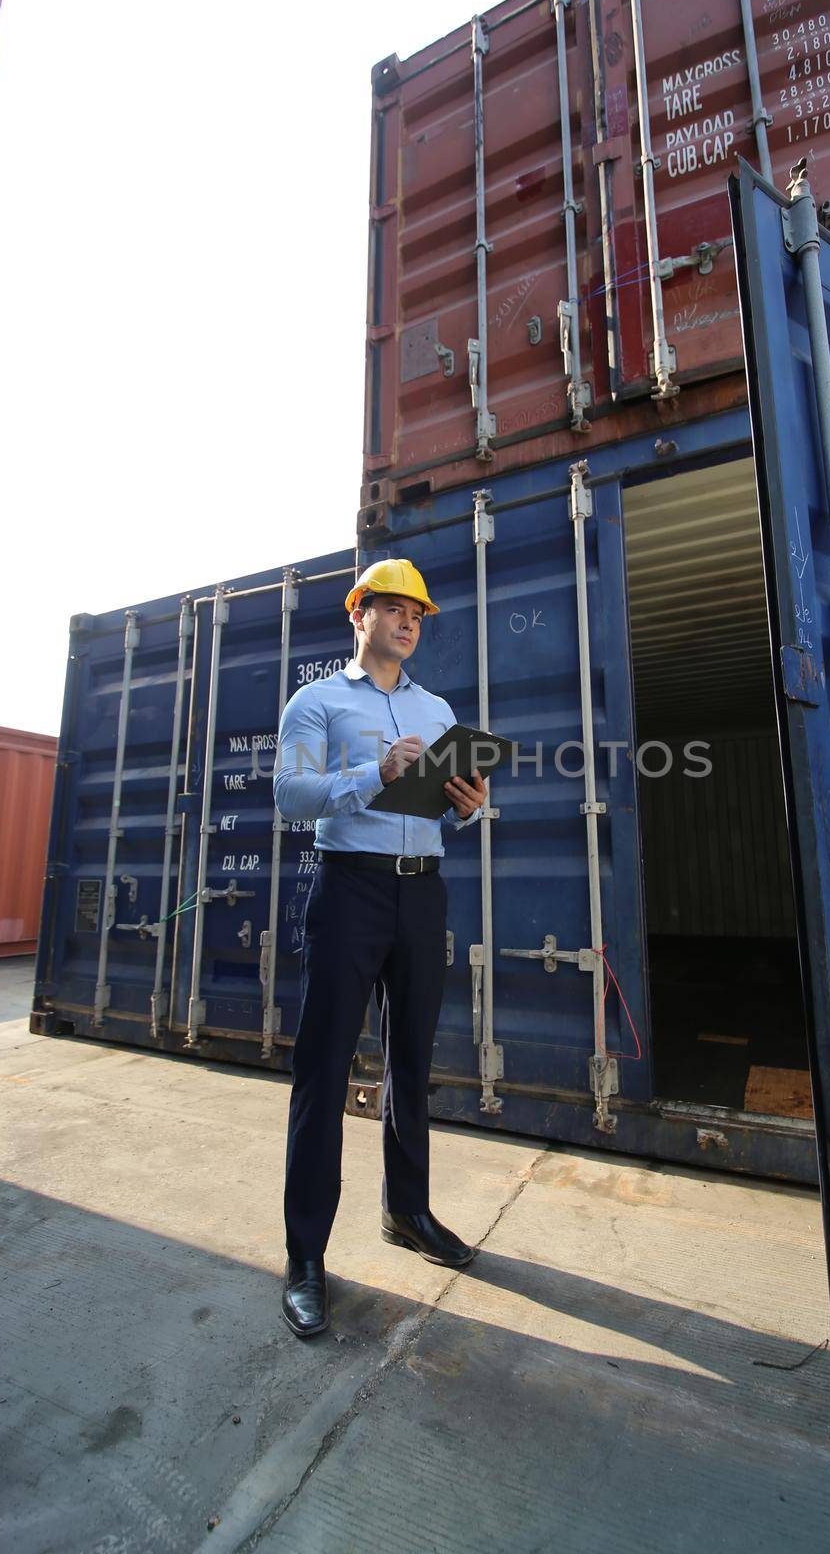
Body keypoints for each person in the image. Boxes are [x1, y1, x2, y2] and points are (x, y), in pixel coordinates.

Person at [273, 557, 488, 1338]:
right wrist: (370, 772)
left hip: (421, 892)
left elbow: (448, 810)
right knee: (323, 1067)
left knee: (411, 1063)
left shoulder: (437, 709)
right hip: (350, 889)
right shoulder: (317, 701)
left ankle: (408, 1212)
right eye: (394, 609)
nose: (408, 622)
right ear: (357, 614)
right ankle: (304, 1258)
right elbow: (290, 795)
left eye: (418, 614)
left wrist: (468, 805)